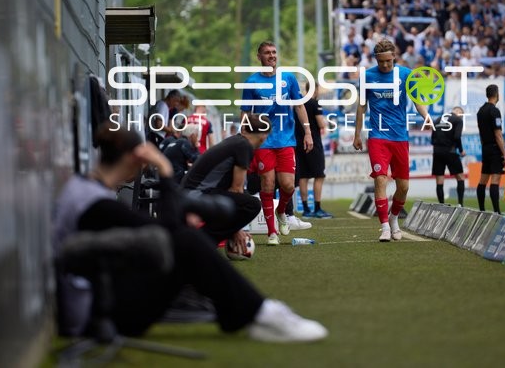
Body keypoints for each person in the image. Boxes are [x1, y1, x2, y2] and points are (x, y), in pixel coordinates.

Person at [53, 124, 327, 342]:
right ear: (134, 157)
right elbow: (169, 232)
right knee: (186, 241)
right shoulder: (94, 204)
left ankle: (248, 312)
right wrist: (165, 171)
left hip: (103, 298)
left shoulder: (83, 191)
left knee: (186, 243)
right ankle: (260, 312)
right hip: (101, 314)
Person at [353, 39, 431, 242]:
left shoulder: (405, 74)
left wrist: (427, 118)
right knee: (380, 178)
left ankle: (394, 218)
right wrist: (357, 134)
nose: (385, 65)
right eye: (381, 62)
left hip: (400, 137)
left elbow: (417, 100)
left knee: (403, 187)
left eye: (388, 61)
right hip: (378, 136)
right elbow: (361, 107)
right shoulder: (368, 76)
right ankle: (385, 227)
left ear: (394, 57)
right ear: (376, 60)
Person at [241, 41, 314, 245]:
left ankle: (282, 211)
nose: (272, 56)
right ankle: (272, 232)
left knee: (288, 185)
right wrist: (246, 138)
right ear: (259, 57)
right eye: (267, 53)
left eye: (274, 52)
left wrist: (307, 132)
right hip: (263, 142)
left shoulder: (288, 79)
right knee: (268, 184)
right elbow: (246, 112)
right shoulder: (251, 82)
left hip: (286, 140)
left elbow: (299, 106)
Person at [180, 115, 271, 250]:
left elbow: (232, 191)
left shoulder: (236, 141)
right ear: (264, 136)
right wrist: (235, 229)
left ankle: (197, 241)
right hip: (196, 196)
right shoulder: (244, 146)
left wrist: (233, 228)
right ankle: (200, 244)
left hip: (189, 194)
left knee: (244, 200)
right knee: (252, 205)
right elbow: (236, 190)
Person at [294, 82, 331, 219]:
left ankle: (305, 209)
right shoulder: (314, 103)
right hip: (313, 143)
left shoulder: (298, 104)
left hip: (298, 143)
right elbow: (321, 124)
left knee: (303, 176)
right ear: (315, 89)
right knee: (319, 175)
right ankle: (317, 208)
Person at [476, 84, 505, 214]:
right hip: (494, 149)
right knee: (495, 180)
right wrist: (504, 154)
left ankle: (482, 210)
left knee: (483, 180)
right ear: (496, 94)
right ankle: (497, 211)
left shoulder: (480, 111)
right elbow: (498, 134)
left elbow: (480, 132)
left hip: (485, 147)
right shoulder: (494, 111)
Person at [431, 106, 466, 206]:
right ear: (458, 112)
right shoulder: (458, 120)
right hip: (450, 151)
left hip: (437, 152)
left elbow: (433, 138)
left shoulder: (438, 119)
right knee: (460, 177)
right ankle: (460, 204)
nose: (462, 117)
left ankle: (441, 204)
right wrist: (461, 150)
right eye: (462, 115)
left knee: (439, 180)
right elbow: (457, 136)